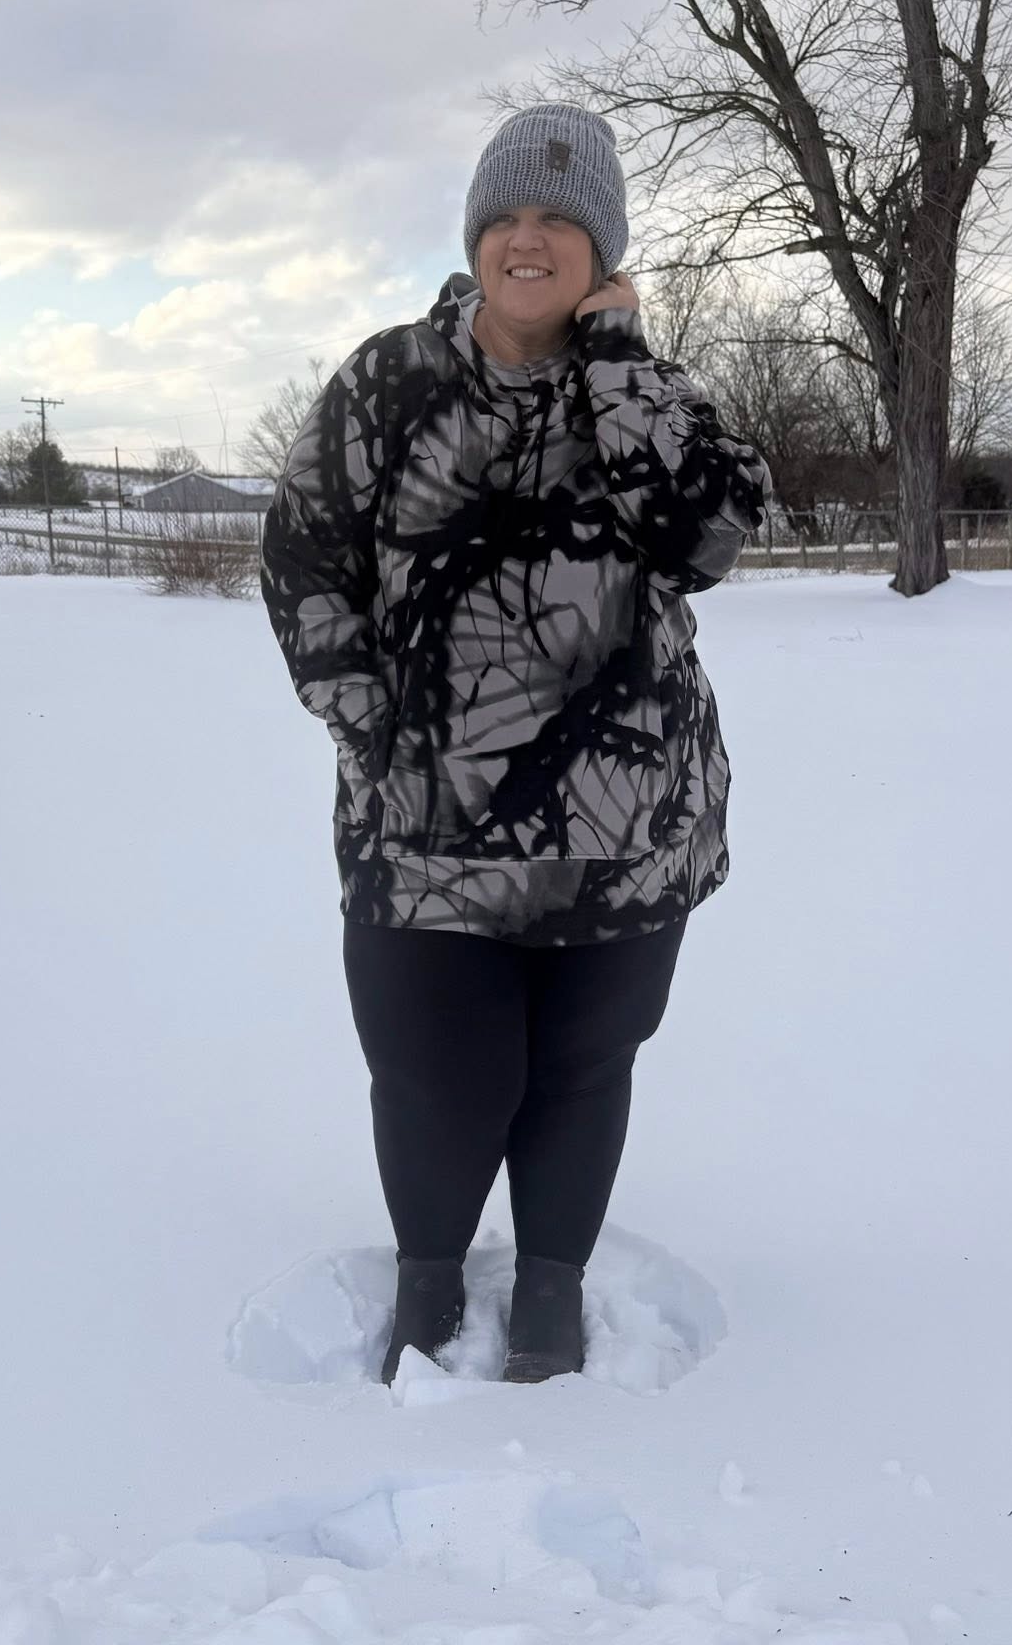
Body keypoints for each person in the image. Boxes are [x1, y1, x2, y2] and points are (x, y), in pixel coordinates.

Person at [260, 104, 768, 1385]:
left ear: (604, 250)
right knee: (436, 1076)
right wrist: (373, 727)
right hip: (425, 825)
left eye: (561, 219)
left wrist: (618, 361)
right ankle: (428, 1281)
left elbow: (705, 538)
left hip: (622, 822)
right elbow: (305, 556)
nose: (528, 240)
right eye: (507, 217)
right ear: (475, 236)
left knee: (584, 1069)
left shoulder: (648, 391)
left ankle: (552, 1289)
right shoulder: (389, 383)